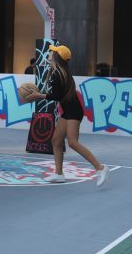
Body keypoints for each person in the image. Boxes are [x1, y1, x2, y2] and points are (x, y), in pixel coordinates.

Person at [25, 44, 109, 187]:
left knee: (72, 142)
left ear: (57, 56)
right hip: (68, 110)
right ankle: (59, 174)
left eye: (53, 51)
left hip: (73, 111)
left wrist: (37, 95)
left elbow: (56, 96)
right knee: (56, 140)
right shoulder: (59, 71)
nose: (50, 52)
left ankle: (100, 168)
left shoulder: (58, 73)